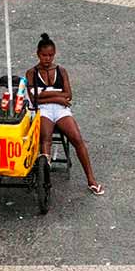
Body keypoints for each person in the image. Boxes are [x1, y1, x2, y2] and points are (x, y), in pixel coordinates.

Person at [25, 33, 104, 195]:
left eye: (50, 55)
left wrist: (47, 96)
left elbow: (69, 95)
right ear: (38, 54)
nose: (47, 59)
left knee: (77, 139)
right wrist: (58, 97)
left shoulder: (61, 71)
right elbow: (33, 98)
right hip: (44, 110)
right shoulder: (31, 73)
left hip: (61, 109)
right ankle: (44, 177)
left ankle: (91, 179)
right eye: (44, 55)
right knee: (45, 138)